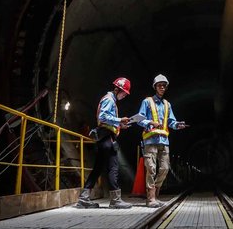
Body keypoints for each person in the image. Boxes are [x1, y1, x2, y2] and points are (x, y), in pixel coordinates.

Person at [76, 77, 133, 209]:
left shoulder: (110, 99)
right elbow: (103, 117)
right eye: (124, 93)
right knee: (113, 167)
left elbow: (106, 119)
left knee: (98, 168)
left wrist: (120, 125)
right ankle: (115, 200)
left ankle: (84, 198)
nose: (124, 96)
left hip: (104, 137)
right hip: (106, 138)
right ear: (117, 89)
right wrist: (119, 120)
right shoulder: (109, 99)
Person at [137, 74, 187, 208]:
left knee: (164, 168)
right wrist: (150, 122)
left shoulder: (167, 104)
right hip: (150, 141)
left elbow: (171, 121)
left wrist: (177, 125)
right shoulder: (147, 102)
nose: (162, 87)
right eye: (160, 85)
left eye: (164, 85)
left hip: (164, 141)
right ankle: (151, 198)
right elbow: (139, 119)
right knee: (151, 169)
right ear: (155, 87)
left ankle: (156, 193)